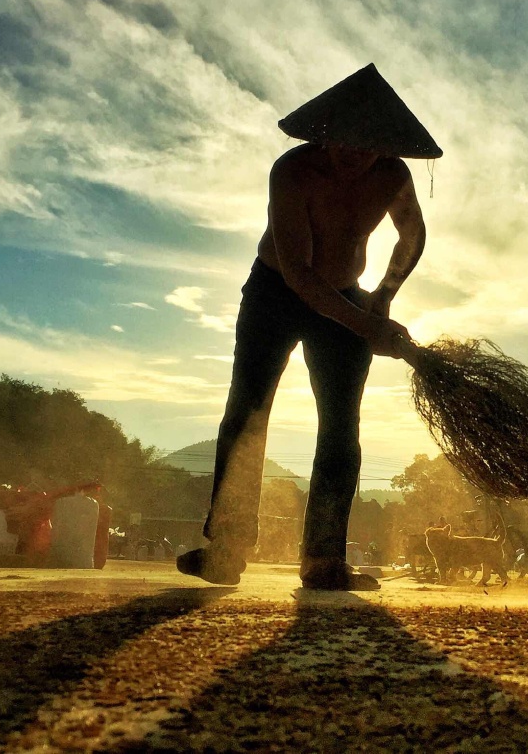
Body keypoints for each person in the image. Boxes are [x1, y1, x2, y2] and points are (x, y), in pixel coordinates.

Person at [178, 64, 441, 591]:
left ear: (385, 147)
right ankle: (226, 548)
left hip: (347, 297)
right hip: (276, 292)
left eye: (369, 146)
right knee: (246, 413)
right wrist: (366, 324)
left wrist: (382, 301)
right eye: (346, 142)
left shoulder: (392, 177)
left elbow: (412, 237)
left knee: (342, 430)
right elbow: (299, 273)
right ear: (325, 134)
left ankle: (324, 558)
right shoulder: (293, 172)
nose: (355, 154)